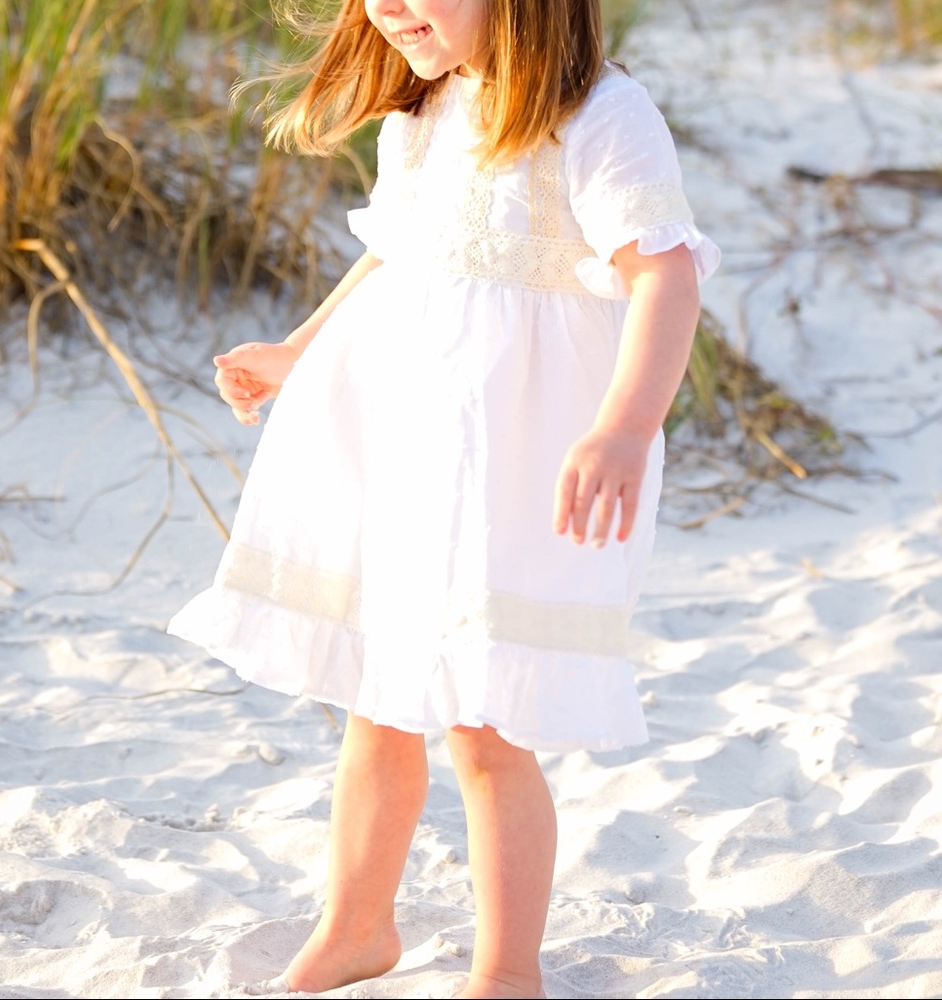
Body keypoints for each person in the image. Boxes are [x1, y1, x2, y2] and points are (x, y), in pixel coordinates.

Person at [168, 0, 719, 996]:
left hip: (513, 460)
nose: (390, 6)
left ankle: (506, 969)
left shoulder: (596, 115)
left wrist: (626, 424)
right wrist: (299, 349)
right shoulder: (421, 110)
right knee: (376, 700)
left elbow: (663, 275)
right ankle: (356, 925)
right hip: (405, 439)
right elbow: (396, 254)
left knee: (483, 724)